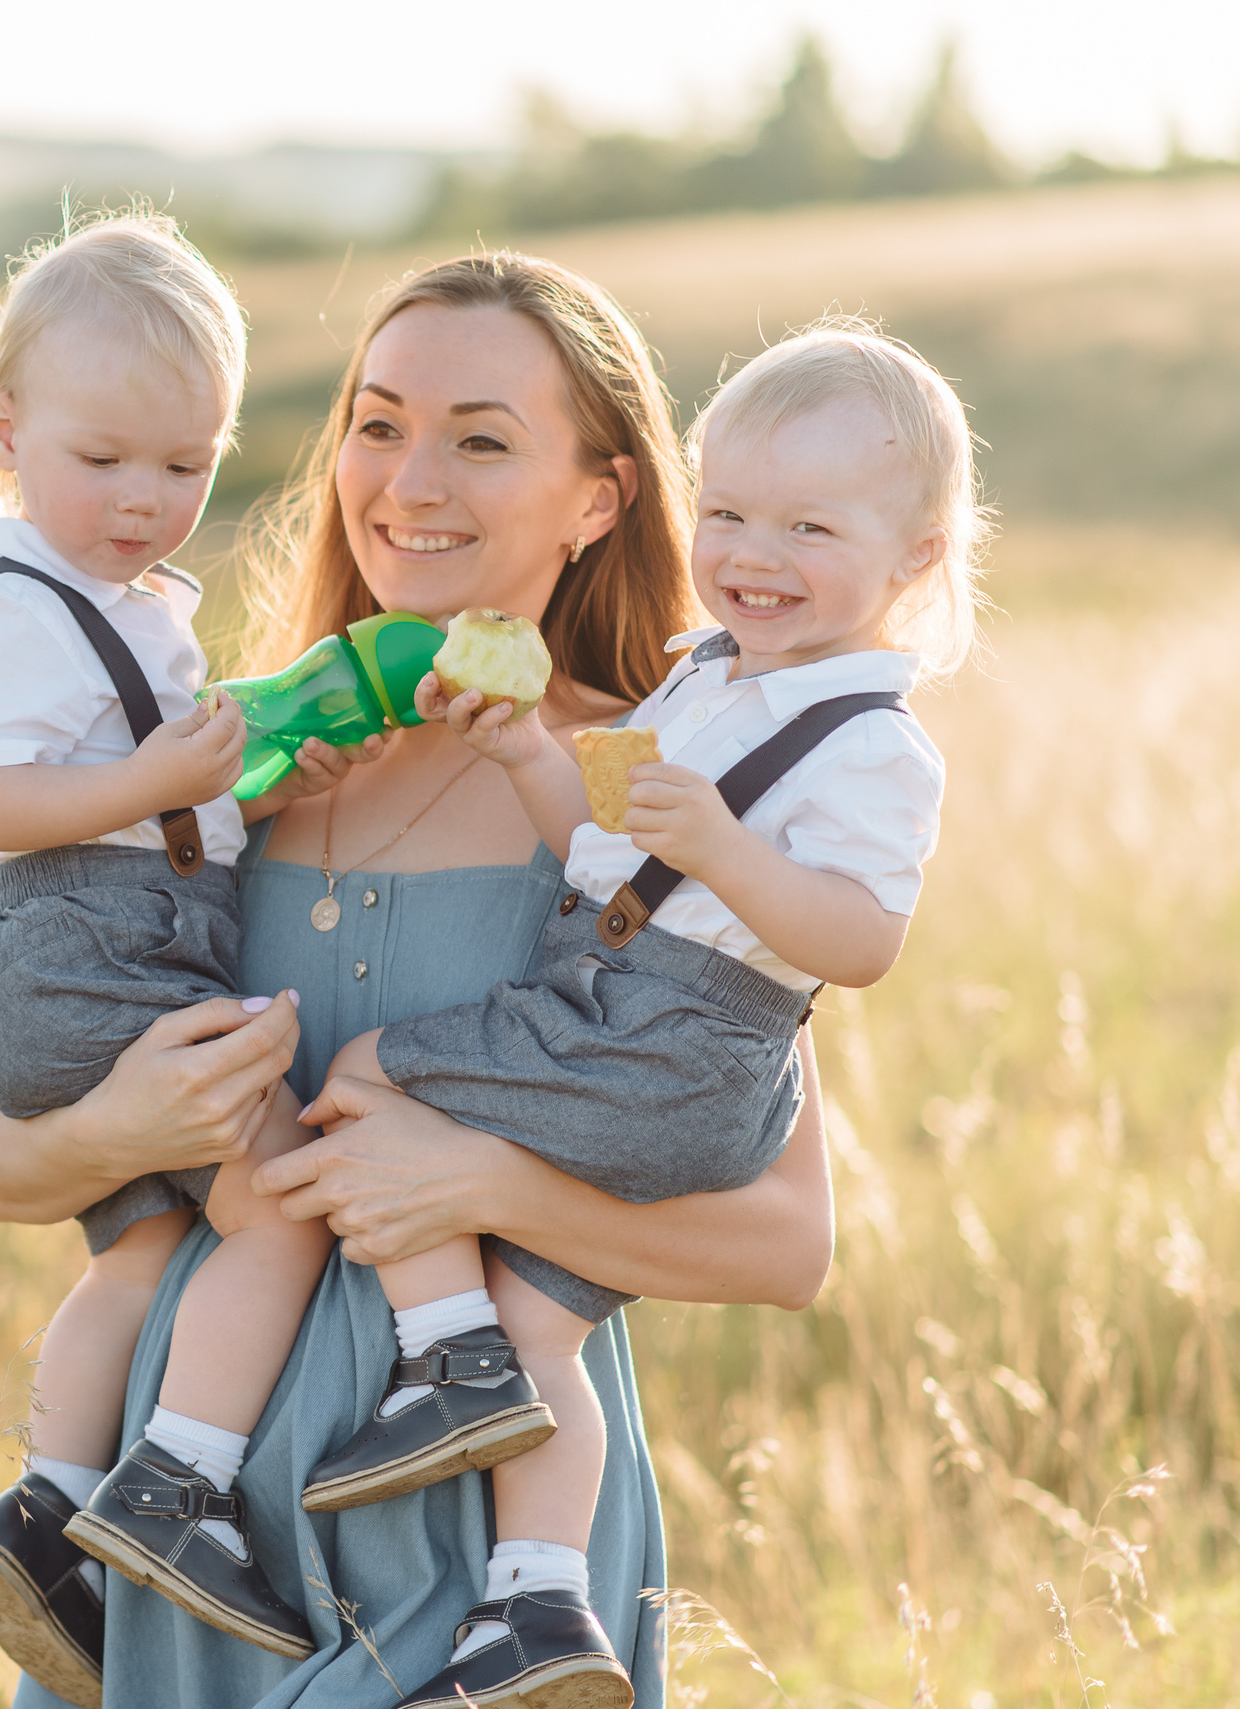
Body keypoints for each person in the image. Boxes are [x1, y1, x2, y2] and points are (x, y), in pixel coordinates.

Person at [0, 253, 840, 1709]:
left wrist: (478, 1188)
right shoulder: (227, 758)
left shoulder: (651, 787)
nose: (409, 481)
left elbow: (787, 1240)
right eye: (376, 423)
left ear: (598, 496)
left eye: (482, 438)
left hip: (488, 1564)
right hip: (179, 1527)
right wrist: (137, 1125)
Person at [301, 320, 983, 1707]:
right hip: (632, 997)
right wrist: (531, 758)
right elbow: (603, 852)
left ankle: (452, 1361)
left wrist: (733, 853)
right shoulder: (704, 680)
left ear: (915, 558)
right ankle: (538, 1609)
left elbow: (860, 941)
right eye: (727, 510)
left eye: (809, 525)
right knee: (552, 1331)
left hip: (675, 1030)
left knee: (375, 1067)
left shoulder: (869, 739)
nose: (752, 552)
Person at [0, 212, 373, 1704]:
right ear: (5, 430)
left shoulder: (120, 612)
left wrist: (246, 787)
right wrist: (150, 784)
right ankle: (176, 1489)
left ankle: (47, 1509)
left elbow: (158, 799)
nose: (144, 500)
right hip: (90, 964)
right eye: (104, 459)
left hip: (103, 954)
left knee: (149, 1242)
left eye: (186, 467)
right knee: (282, 1205)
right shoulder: (11, 612)